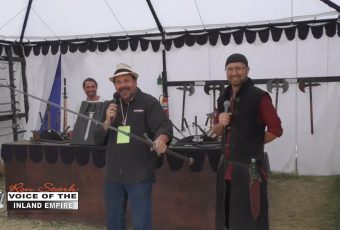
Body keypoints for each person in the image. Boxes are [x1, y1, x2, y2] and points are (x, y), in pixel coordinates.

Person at [93, 63, 173, 230]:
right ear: (115, 85)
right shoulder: (109, 106)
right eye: (118, 82)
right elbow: (98, 139)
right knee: (114, 222)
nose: (123, 85)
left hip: (140, 174)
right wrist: (107, 121)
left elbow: (164, 126)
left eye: (126, 80)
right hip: (114, 174)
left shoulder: (148, 103)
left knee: (141, 222)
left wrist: (161, 139)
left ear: (135, 81)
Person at [213, 53, 283, 230]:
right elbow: (216, 131)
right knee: (226, 218)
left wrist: (254, 143)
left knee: (250, 221)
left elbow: (276, 130)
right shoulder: (223, 98)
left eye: (238, 68)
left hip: (249, 171)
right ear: (226, 72)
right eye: (230, 69)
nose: (234, 73)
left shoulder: (259, 97)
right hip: (226, 169)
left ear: (247, 70)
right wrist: (220, 123)